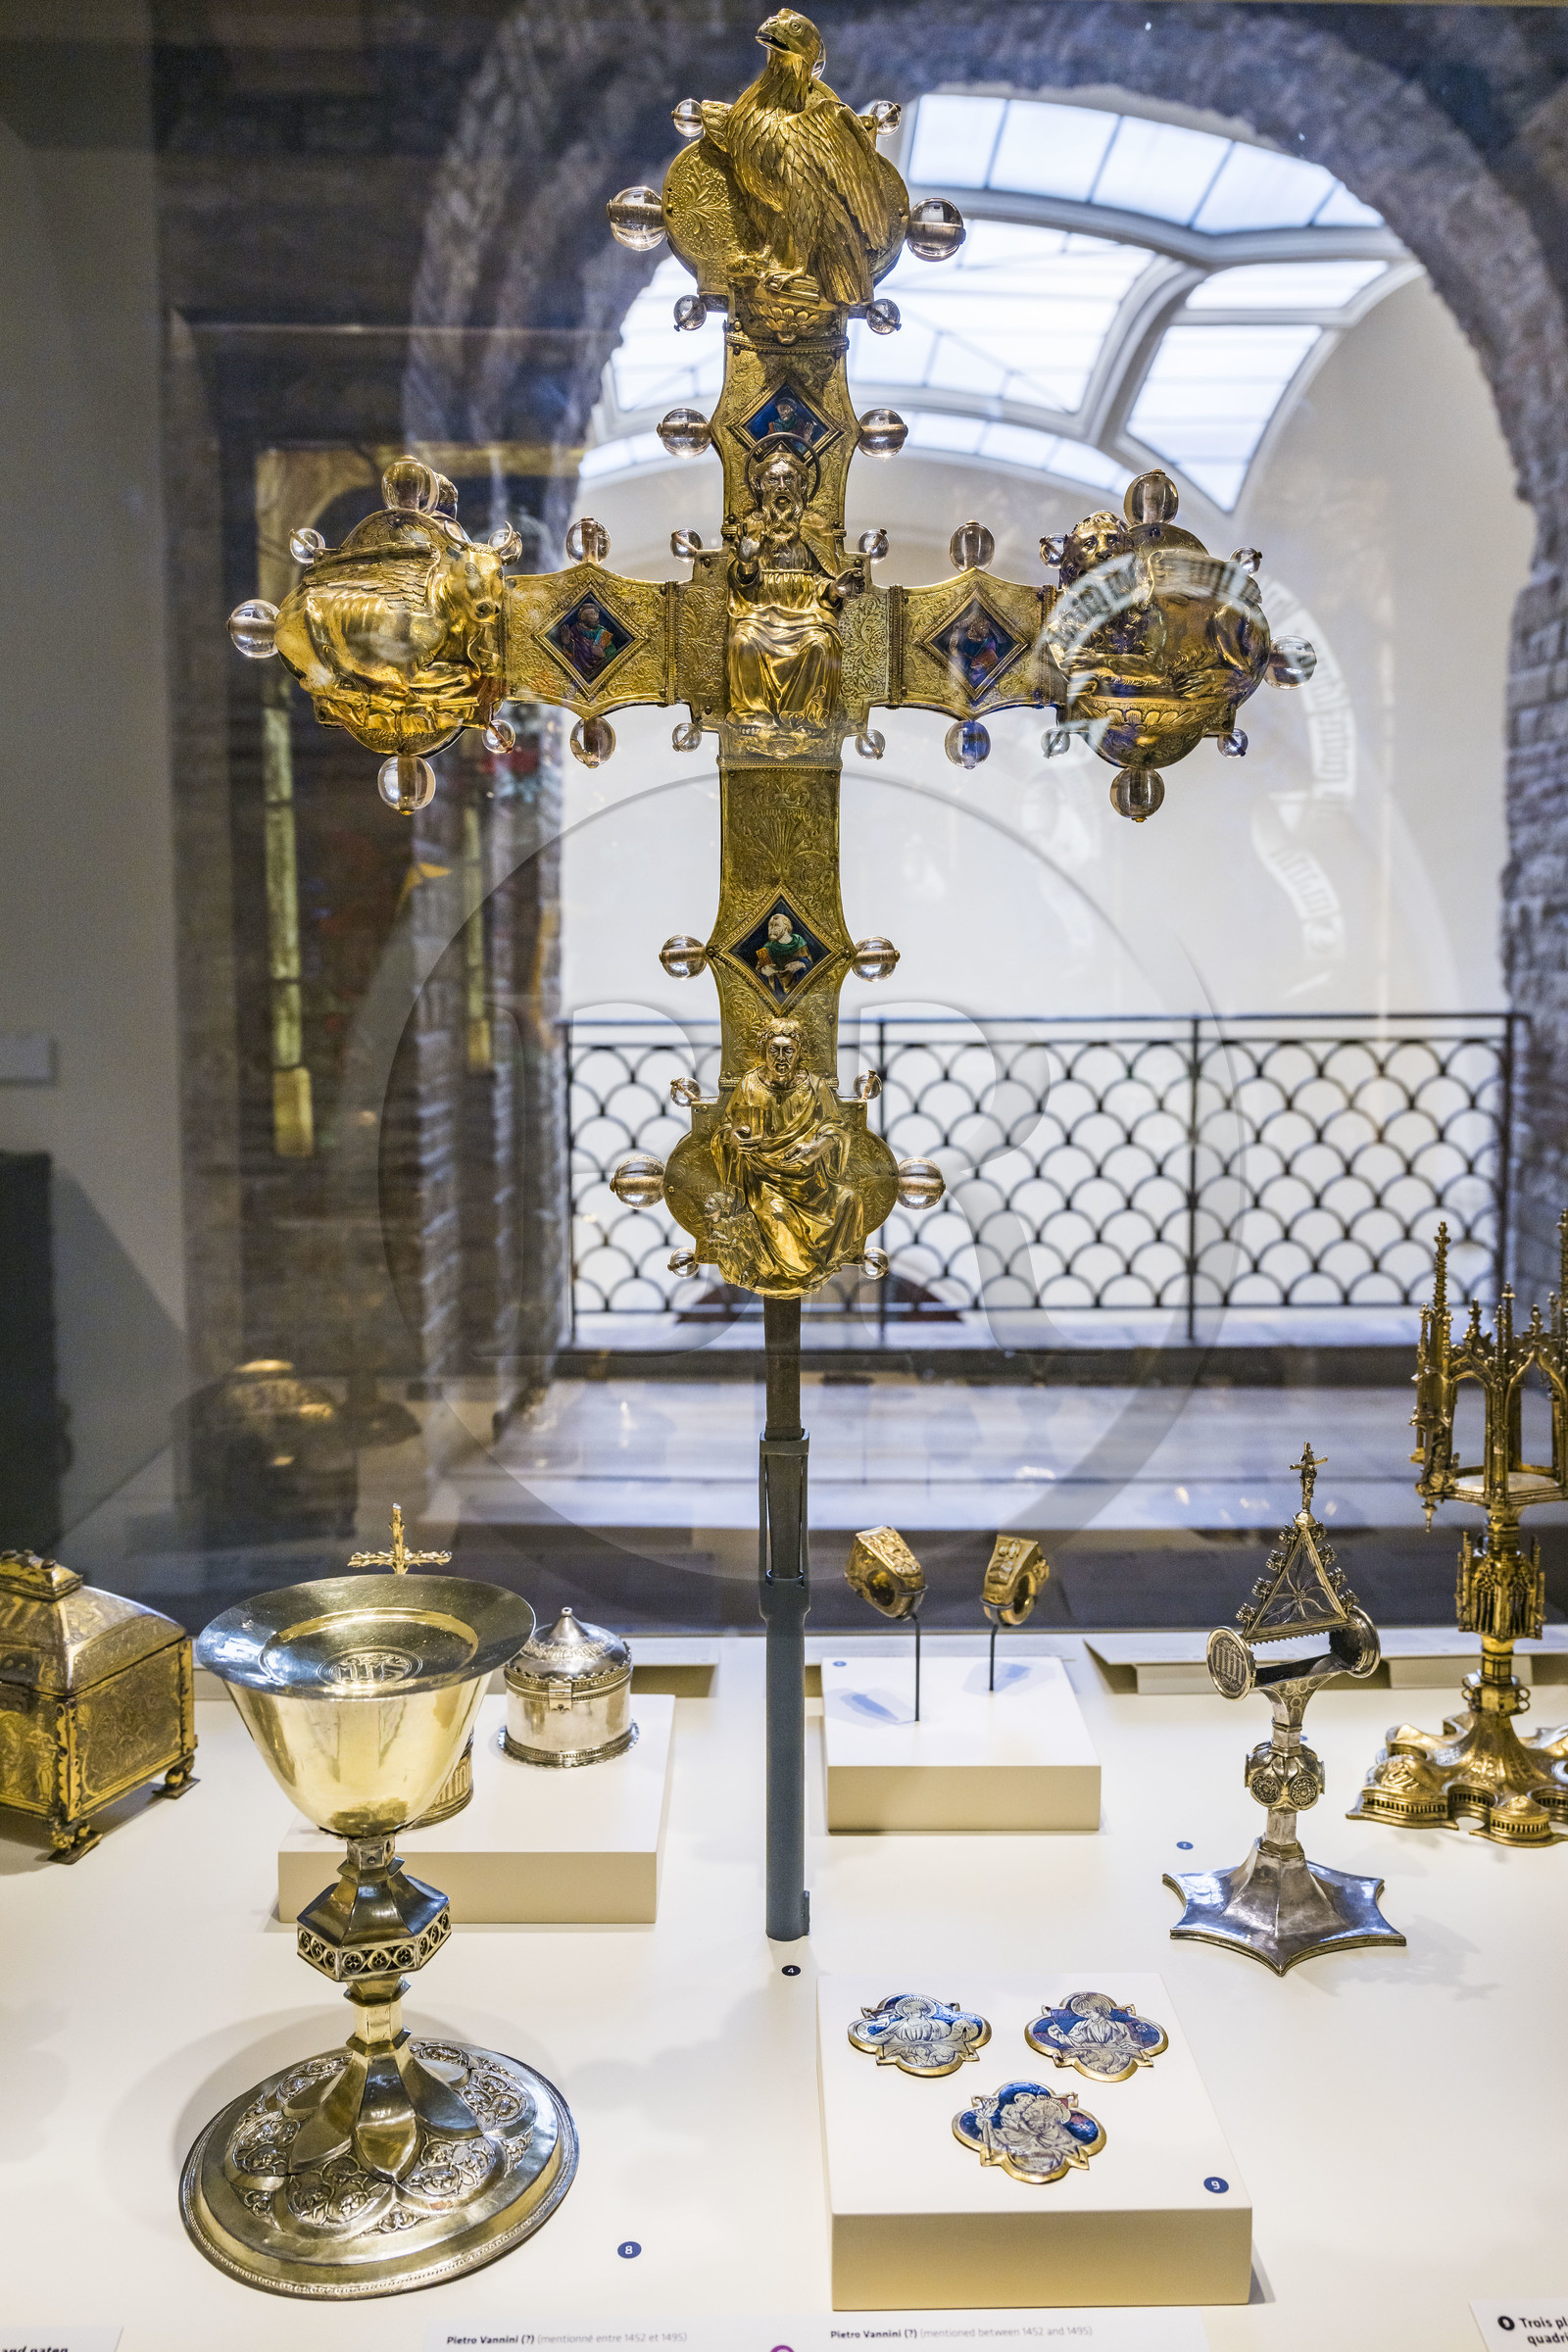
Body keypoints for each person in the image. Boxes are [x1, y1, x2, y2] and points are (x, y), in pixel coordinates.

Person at [710, 1017, 866, 1291]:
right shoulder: (749, 1085)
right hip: (763, 1183)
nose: (781, 1058)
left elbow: (837, 1130)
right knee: (777, 1215)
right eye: (774, 1050)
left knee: (849, 1200)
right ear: (764, 1052)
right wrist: (733, 1139)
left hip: (811, 1184)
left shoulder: (815, 1087)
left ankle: (812, 1270)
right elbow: (725, 1129)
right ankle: (795, 1275)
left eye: (788, 1050)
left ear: (799, 1052)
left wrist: (817, 1148)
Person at [754, 909, 812, 995]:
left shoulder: (798, 941)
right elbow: (759, 968)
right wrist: (764, 970)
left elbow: (809, 963)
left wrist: (800, 964)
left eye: (776, 925)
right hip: (776, 987)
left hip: (797, 987)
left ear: (786, 927)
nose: (772, 929)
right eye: (770, 925)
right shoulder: (767, 947)